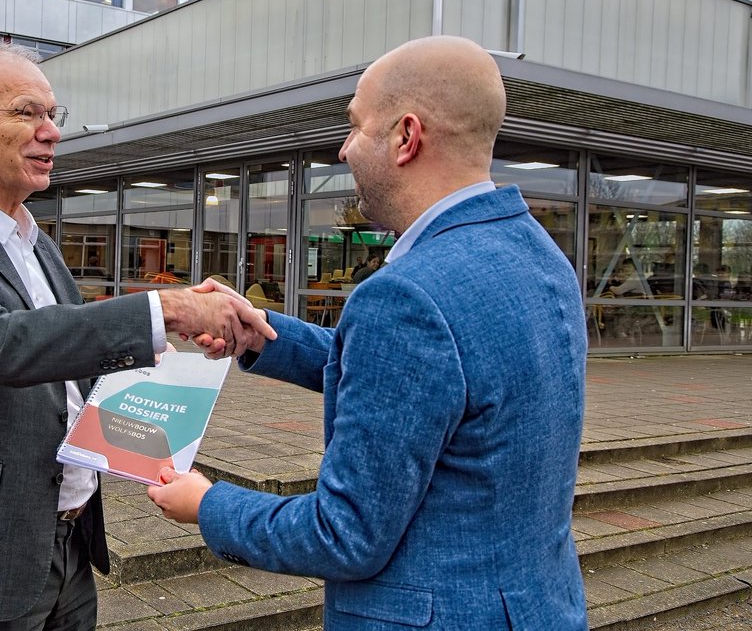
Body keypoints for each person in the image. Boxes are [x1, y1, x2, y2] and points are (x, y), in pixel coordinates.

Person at [148, 36, 588, 629]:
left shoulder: (406, 295)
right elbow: (430, 380)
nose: (343, 148)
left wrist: (208, 504)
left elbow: (344, 535)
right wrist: (264, 334)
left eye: (355, 126)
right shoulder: (537, 253)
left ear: (406, 137)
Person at [0, 42, 274, 630]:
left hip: (68, 541)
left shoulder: (41, 247)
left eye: (54, 115)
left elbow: (73, 355)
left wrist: (169, 353)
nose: (51, 132)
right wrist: (166, 309)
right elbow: (0, 344)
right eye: (27, 112)